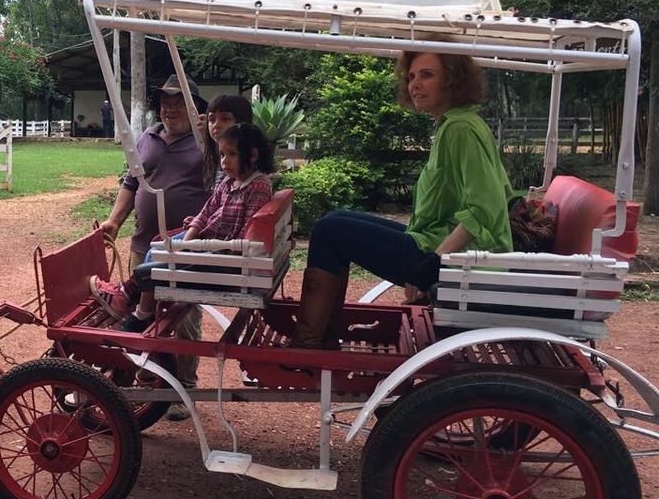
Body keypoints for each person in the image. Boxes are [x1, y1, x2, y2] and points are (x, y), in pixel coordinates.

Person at [291, 46, 513, 349]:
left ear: (453, 80)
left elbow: (486, 207)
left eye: (427, 75)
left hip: (459, 257)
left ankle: (309, 344)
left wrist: (432, 266)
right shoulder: (453, 124)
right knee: (335, 220)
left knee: (330, 231)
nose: (415, 85)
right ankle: (318, 339)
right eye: (411, 77)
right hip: (438, 242)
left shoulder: (460, 129)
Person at [96, 123, 275, 332]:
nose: (224, 162)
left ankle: (137, 310)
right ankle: (133, 301)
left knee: (151, 269)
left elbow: (245, 235)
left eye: (232, 154)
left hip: (223, 258)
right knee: (156, 249)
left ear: (253, 155)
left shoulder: (258, 186)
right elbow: (206, 212)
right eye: (222, 155)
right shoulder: (229, 182)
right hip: (207, 245)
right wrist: (188, 241)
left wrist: (196, 248)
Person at [96, 74, 211, 397]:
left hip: (187, 249)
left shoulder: (206, 143)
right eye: (165, 102)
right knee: (138, 317)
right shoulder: (147, 137)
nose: (169, 109)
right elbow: (131, 182)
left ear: (194, 109)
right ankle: (137, 384)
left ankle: (183, 389)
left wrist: (210, 137)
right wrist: (114, 221)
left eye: (178, 102)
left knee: (183, 320)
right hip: (143, 244)